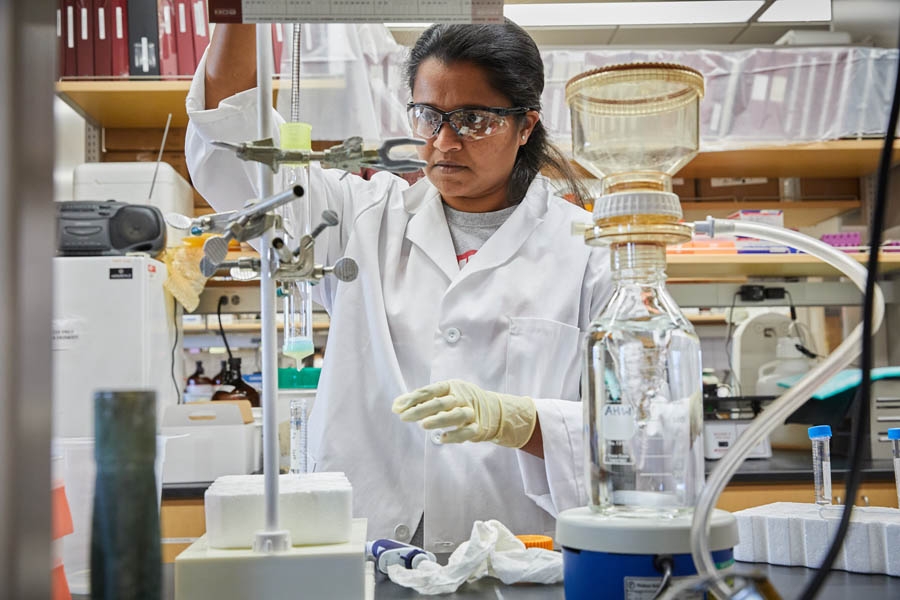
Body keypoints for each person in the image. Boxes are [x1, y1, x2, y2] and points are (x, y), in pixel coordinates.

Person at [185, 20, 611, 552]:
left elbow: (632, 426)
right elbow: (234, 143)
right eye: (429, 116)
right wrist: (238, 12)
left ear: (525, 126)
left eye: (473, 120)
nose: (444, 142)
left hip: (515, 556)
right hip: (369, 551)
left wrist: (520, 421)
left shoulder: (587, 249)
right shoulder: (361, 216)